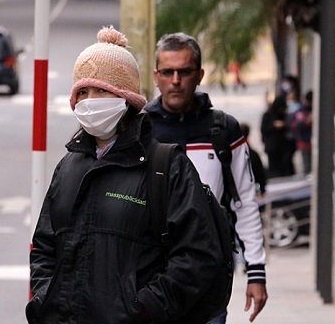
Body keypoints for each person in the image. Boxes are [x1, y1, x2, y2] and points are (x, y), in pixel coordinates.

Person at [27, 26, 224, 324]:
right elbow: (44, 247)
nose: (90, 100)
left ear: (126, 97)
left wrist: (144, 310)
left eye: (101, 90)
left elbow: (198, 257)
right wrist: (45, 299)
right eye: (82, 91)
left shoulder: (166, 166)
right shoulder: (68, 167)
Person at [144, 32, 268, 323]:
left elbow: (245, 202)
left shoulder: (224, 130)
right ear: (156, 76)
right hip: (150, 277)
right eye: (167, 72)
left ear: (199, 75)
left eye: (184, 72)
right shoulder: (139, 130)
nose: (175, 80)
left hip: (208, 278)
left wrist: (256, 271)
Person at [261, 95, 295, 177]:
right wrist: (274, 126)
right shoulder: (268, 115)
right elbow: (264, 129)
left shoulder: (285, 115)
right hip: (272, 146)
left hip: (284, 146)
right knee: (274, 169)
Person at [240, 123, 268, 198]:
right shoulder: (253, 153)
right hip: (252, 190)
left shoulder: (233, 154)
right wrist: (262, 189)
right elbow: (260, 173)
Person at [291, 90, 313, 174]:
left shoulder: (312, 110)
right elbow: (297, 125)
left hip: (312, 141)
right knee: (307, 165)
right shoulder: (301, 111)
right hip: (304, 141)